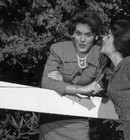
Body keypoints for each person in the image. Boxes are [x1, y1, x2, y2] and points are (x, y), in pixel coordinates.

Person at [39, 10, 108, 140]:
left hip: (78, 117)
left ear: (96, 36)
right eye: (78, 34)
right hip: (52, 118)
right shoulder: (58, 49)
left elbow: (95, 89)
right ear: (72, 34)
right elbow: (47, 83)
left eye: (88, 35)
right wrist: (83, 88)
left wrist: (63, 82)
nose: (82, 40)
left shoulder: (101, 55)